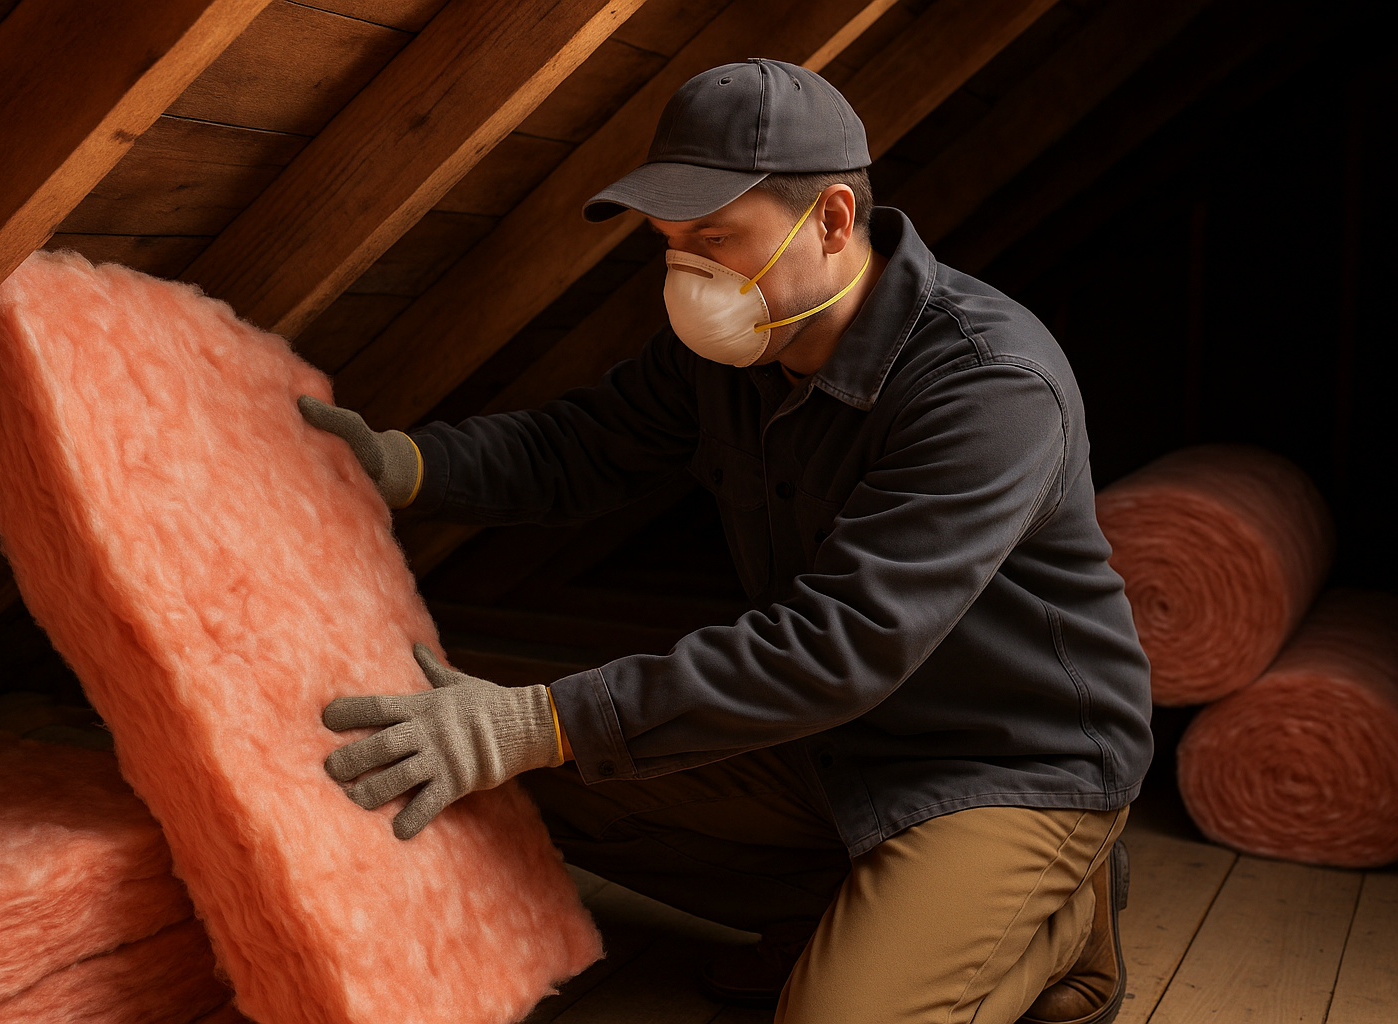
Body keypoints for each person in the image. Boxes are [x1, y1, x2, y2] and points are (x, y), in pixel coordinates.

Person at [299, 58, 1153, 1024]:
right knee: (483, 774)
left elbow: (839, 645)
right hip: (830, 744)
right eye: (669, 245)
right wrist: (398, 463)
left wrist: (537, 721)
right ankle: (854, 912)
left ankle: (1059, 918)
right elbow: (577, 448)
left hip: (1005, 765)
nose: (689, 276)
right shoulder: (740, 346)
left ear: (832, 220)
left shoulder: (989, 387)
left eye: (714, 239)